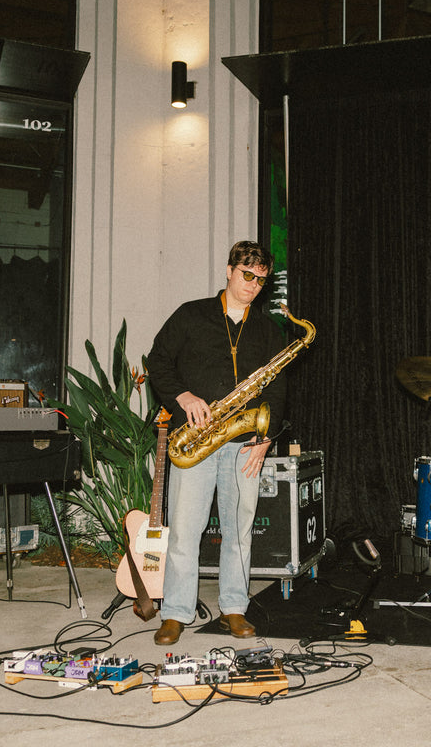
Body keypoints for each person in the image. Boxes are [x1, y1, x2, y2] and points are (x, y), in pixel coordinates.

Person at [145, 240, 287, 646]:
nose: (253, 285)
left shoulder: (268, 329)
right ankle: (175, 612)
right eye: (247, 275)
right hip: (195, 440)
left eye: (260, 280)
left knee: (239, 531)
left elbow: (277, 388)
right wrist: (183, 396)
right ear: (229, 270)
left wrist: (266, 437)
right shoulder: (191, 314)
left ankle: (234, 608)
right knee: (184, 531)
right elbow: (158, 361)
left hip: (245, 443)